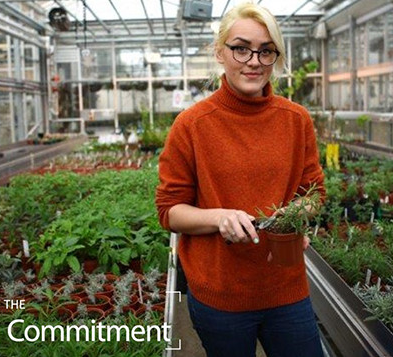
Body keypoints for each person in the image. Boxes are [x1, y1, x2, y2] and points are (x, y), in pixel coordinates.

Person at [155, 3, 326, 357]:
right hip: (221, 295)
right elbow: (169, 212)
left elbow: (315, 193)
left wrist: (295, 216)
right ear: (220, 52)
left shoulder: (296, 120)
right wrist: (220, 217)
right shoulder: (192, 125)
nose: (254, 61)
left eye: (266, 51)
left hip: (285, 288)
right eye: (241, 48)